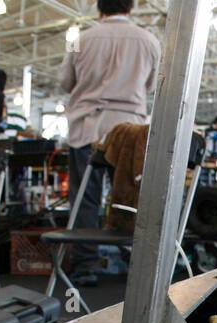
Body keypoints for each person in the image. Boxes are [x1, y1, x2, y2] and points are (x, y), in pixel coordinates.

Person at [61, 0, 161, 286]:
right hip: (130, 132)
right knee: (130, 197)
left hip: (87, 128)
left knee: (85, 199)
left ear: (98, 8)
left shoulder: (82, 39)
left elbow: (66, 82)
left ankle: (84, 266)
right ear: (130, 7)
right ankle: (134, 262)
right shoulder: (149, 40)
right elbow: (151, 85)